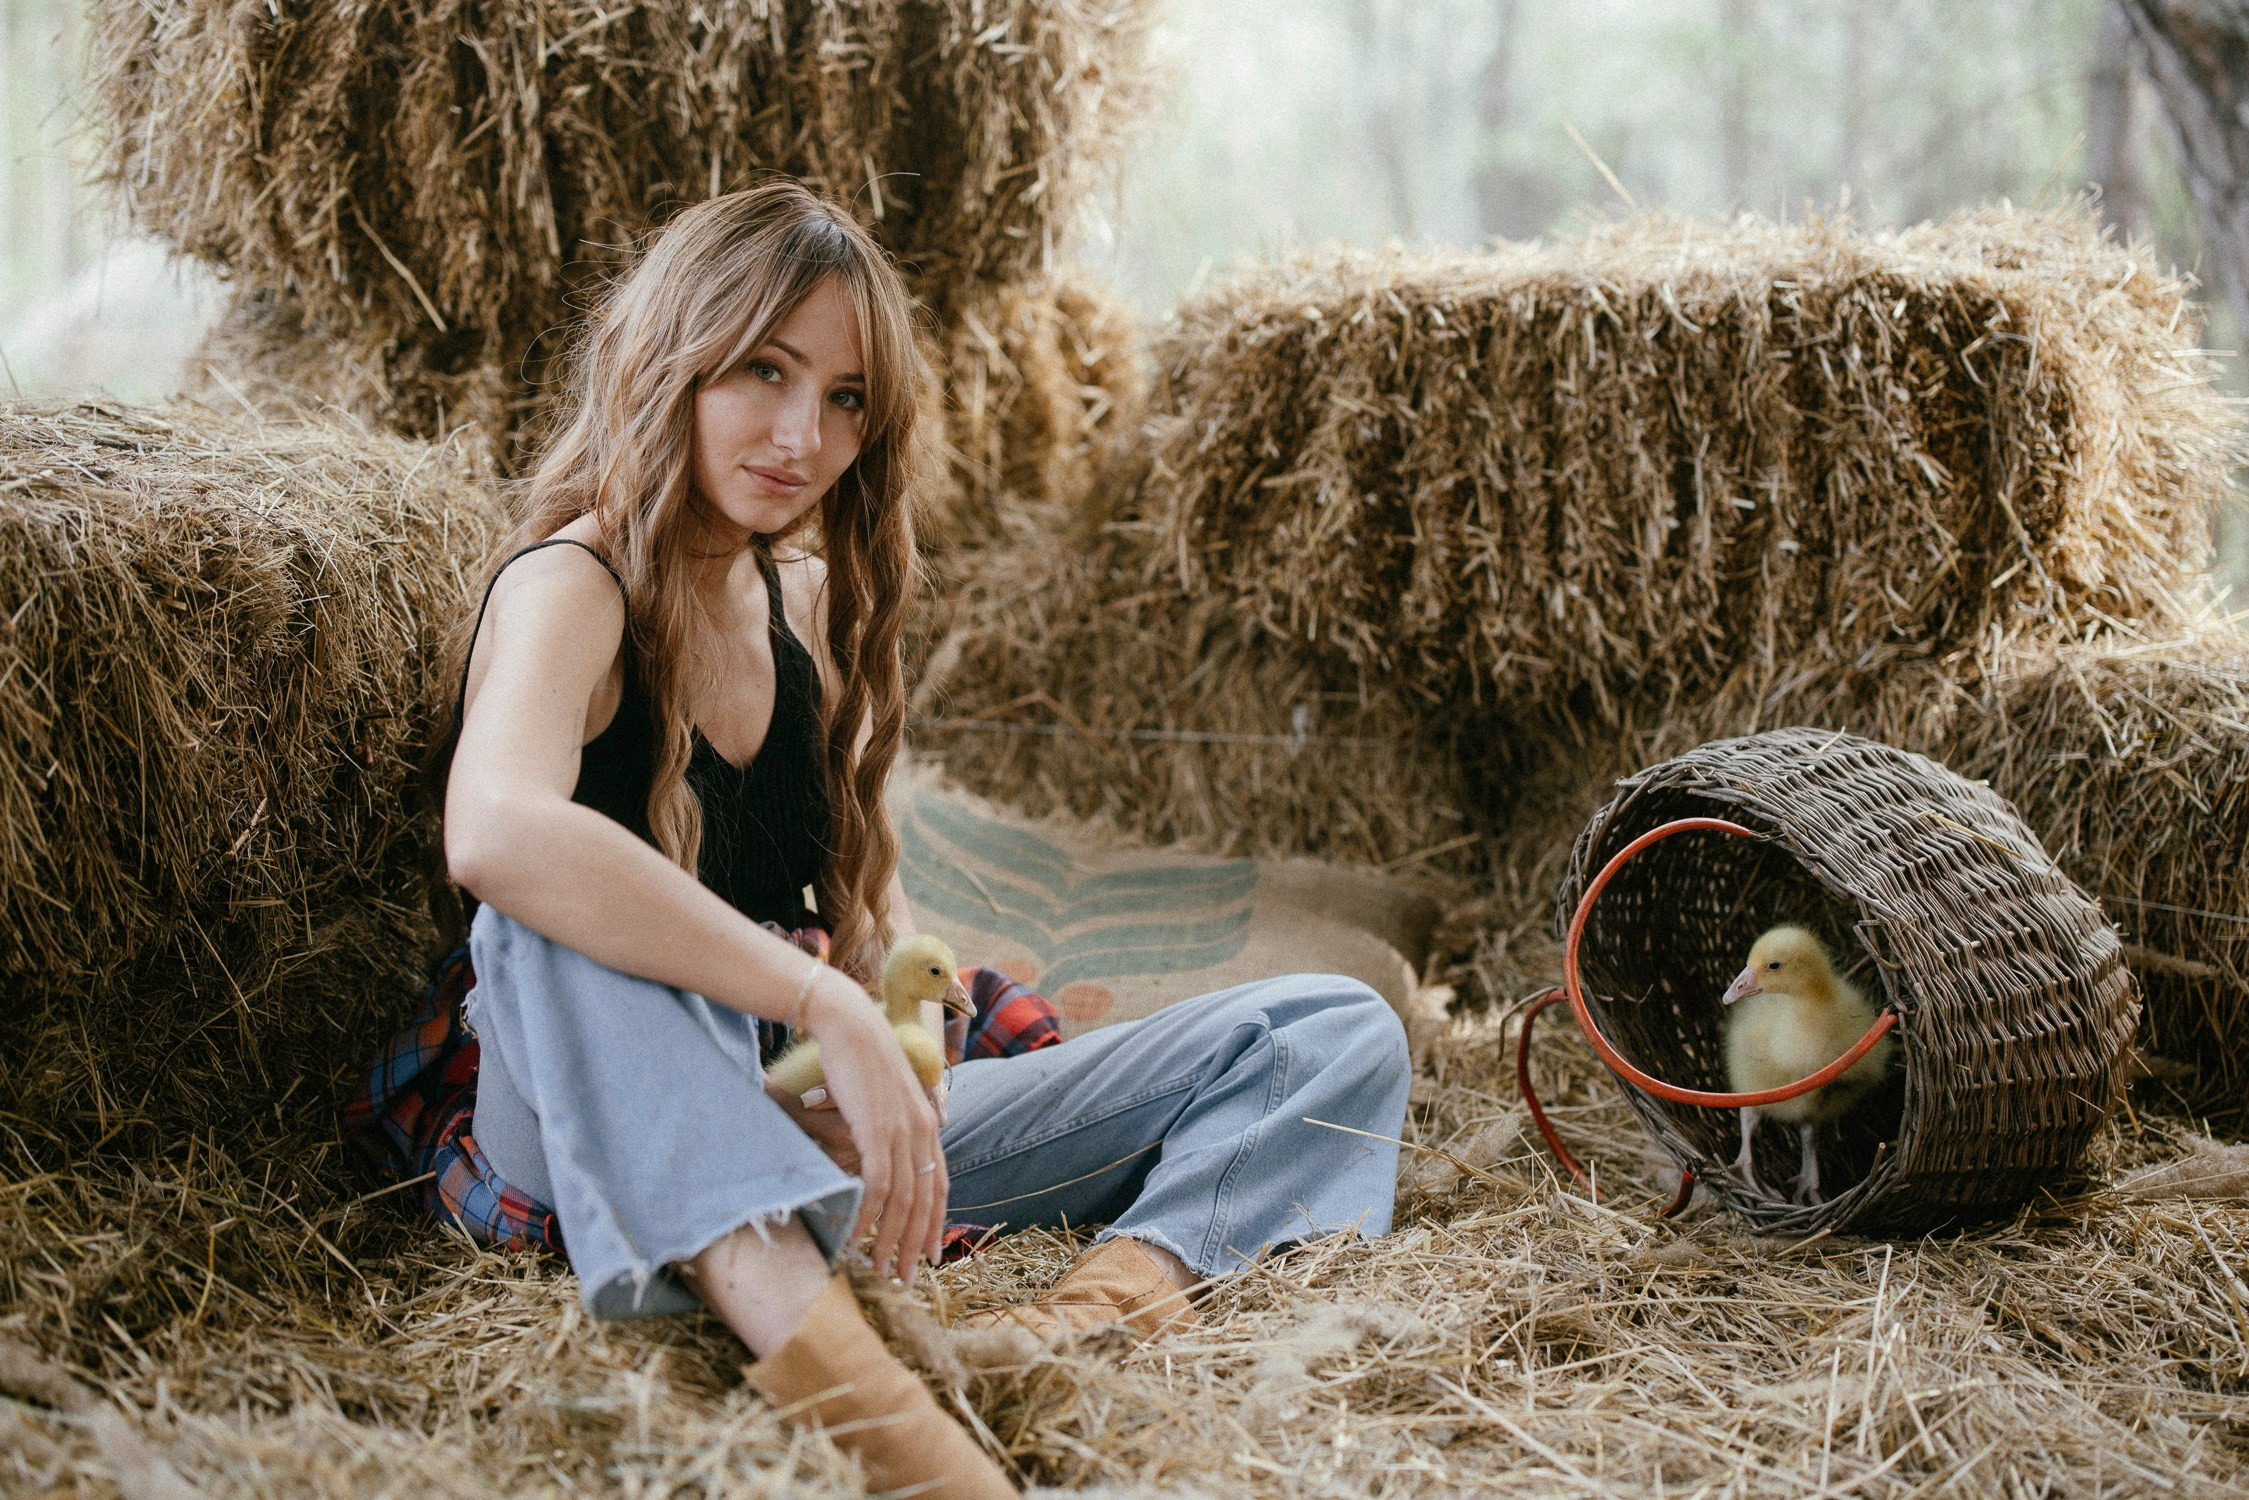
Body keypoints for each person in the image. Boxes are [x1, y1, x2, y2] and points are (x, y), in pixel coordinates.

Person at [429, 179, 1411, 1499]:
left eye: (844, 399)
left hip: (789, 1111)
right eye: (763, 371)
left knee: (1328, 1029)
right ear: (672, 361)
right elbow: (492, 831)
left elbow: (855, 909)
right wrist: (816, 997)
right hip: (593, 1115)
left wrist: (877, 1066)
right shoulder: (574, 583)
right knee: (547, 921)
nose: (801, 435)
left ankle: (1094, 1319)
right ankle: (892, 1422)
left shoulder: (812, 602)